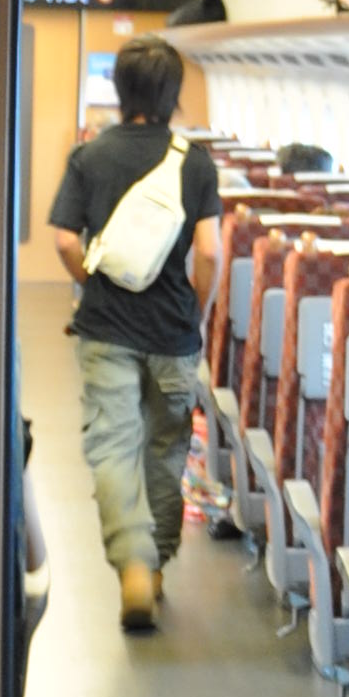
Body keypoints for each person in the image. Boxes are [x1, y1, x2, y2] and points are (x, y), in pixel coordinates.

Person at [48, 35, 222, 634]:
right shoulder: (195, 163)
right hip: (173, 332)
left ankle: (134, 564)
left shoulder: (89, 157)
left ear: (120, 90)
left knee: (113, 444)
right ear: (173, 94)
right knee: (166, 449)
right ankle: (158, 561)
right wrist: (196, 310)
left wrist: (91, 280)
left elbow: (64, 241)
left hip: (106, 328)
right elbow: (209, 252)